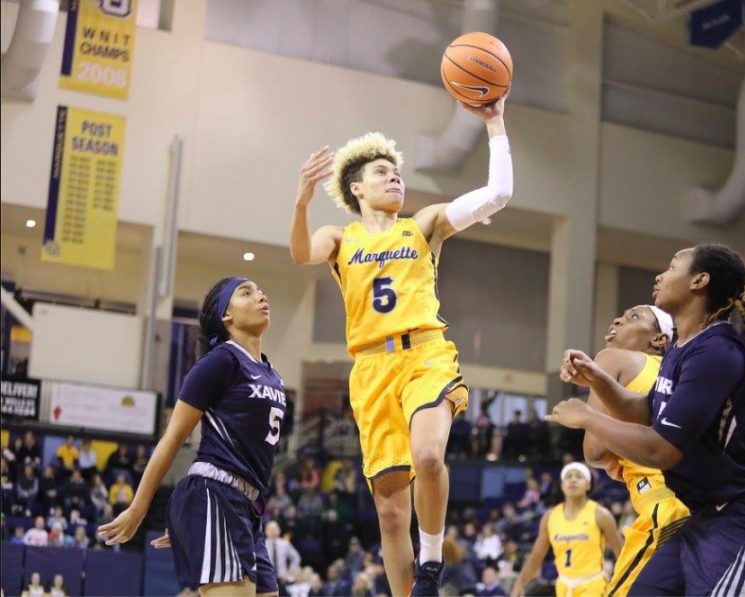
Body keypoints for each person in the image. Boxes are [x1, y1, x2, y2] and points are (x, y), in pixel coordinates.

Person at [289, 95, 511, 596]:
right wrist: (302, 199)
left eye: (397, 173)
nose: (395, 179)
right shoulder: (340, 237)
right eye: (383, 173)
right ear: (356, 188)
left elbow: (498, 193)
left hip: (425, 354)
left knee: (429, 456)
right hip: (370, 369)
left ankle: (431, 564)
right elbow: (302, 253)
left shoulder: (425, 224)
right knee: (391, 514)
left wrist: (495, 123)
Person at [550, 244, 745, 596]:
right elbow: (647, 410)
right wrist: (597, 379)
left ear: (699, 281)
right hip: (708, 514)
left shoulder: (718, 351)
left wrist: (587, 417)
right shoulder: (680, 348)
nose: (660, 275)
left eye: (673, 266)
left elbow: (661, 450)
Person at [98, 277, 285, 596]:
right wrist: (139, 509)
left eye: (260, 290)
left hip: (248, 507)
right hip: (215, 493)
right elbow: (171, 439)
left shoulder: (271, 373)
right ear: (226, 315)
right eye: (246, 292)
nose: (260, 295)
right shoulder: (220, 361)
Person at [579, 304, 691, 596]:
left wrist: (616, 455)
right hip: (703, 508)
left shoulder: (611, 358)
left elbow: (595, 452)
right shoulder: (679, 378)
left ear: (659, 340)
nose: (618, 319)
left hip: (664, 508)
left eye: (633, 317)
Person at [510, 463, 622, 597]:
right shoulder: (550, 517)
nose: (573, 480)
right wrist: (520, 582)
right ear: (562, 485)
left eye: (579, 476)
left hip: (594, 586)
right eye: (568, 477)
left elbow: (622, 554)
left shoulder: (601, 514)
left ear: (588, 484)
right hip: (564, 587)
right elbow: (536, 556)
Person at [264, 521, 302, 592]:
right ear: (266, 531)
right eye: (270, 529)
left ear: (279, 530)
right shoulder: (262, 544)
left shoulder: (285, 544)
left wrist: (290, 571)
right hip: (267, 578)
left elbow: (296, 558)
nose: (273, 531)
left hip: (282, 579)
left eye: (275, 529)